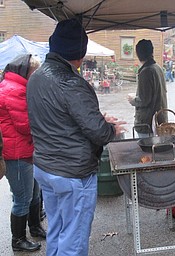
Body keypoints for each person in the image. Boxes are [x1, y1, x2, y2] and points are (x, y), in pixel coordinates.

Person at [26, 19, 126, 256]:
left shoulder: (36, 78)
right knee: (74, 238)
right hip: (72, 173)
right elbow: (99, 133)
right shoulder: (72, 82)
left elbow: (57, 117)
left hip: (46, 168)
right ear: (80, 53)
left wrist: (97, 117)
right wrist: (112, 129)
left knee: (57, 228)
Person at [0, 54, 46, 252]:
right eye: (35, 72)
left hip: (26, 150)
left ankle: (35, 227)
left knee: (34, 192)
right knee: (22, 197)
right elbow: (25, 125)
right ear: (27, 72)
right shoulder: (14, 90)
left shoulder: (16, 87)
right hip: (16, 153)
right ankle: (18, 239)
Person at [127, 39, 168, 138]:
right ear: (152, 52)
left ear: (138, 54)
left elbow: (144, 100)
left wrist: (132, 100)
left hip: (147, 123)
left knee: (148, 151)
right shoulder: (158, 68)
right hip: (160, 119)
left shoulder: (146, 71)